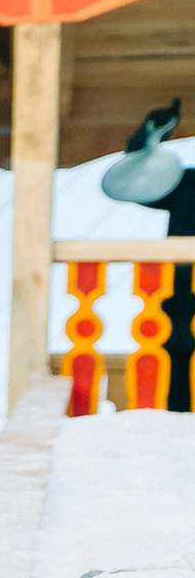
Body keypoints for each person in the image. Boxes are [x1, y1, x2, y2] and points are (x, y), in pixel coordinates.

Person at [111, 101, 194, 412]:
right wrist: (147, 140)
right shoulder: (188, 185)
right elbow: (133, 184)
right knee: (179, 370)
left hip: (182, 302)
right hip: (183, 300)